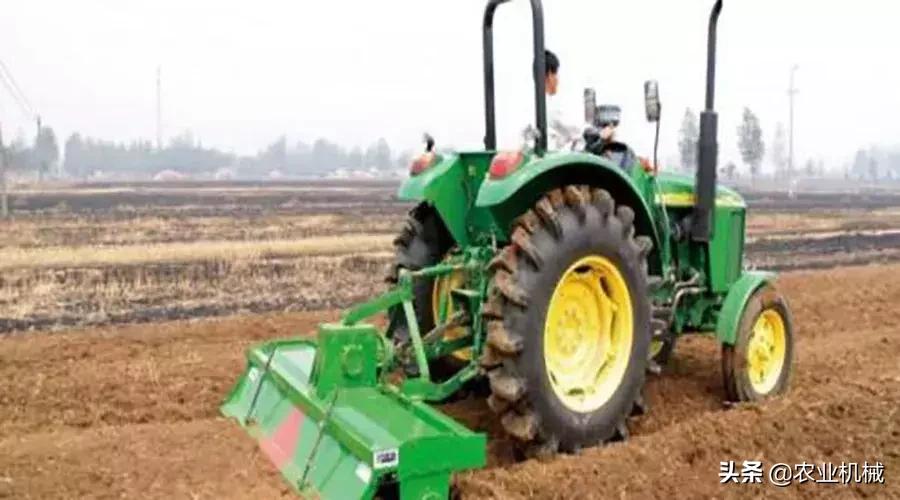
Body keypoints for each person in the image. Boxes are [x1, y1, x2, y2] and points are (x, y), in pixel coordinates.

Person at [543, 50, 583, 150]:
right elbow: (577, 131)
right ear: (549, 75)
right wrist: (601, 134)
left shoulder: (529, 108)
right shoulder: (550, 107)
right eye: (556, 74)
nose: (557, 80)